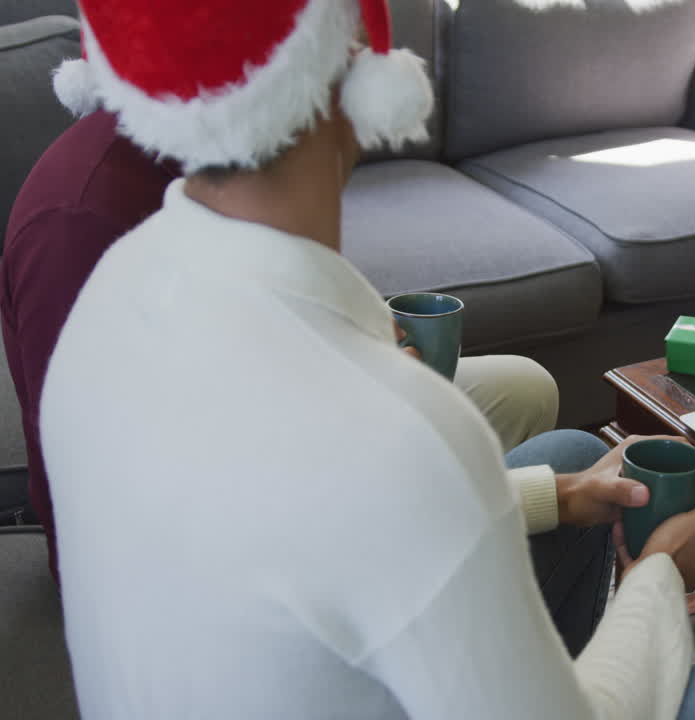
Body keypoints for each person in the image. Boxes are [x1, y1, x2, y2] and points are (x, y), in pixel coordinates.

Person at [39, 1, 695, 718]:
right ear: (352, 62)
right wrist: (657, 581)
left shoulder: (109, 297)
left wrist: (553, 496)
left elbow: (285, 518)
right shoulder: (398, 438)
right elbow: (366, 498)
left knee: (575, 464)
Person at [1, 109, 557, 584]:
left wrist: (343, 339)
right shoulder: (81, 222)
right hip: (169, 558)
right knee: (568, 469)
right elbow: (129, 493)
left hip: (262, 440)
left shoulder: (218, 151)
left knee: (524, 389)